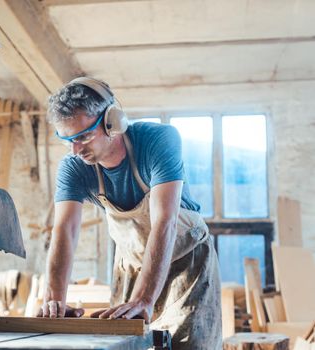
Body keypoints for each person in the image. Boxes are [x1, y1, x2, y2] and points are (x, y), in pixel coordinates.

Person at [40, 77, 222, 349]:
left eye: (83, 136)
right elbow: (64, 230)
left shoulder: (158, 140)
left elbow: (165, 223)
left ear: (112, 121)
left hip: (187, 259)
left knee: (189, 345)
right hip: (133, 264)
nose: (76, 150)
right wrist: (54, 301)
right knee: (123, 342)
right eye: (67, 140)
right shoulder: (73, 167)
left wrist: (144, 300)